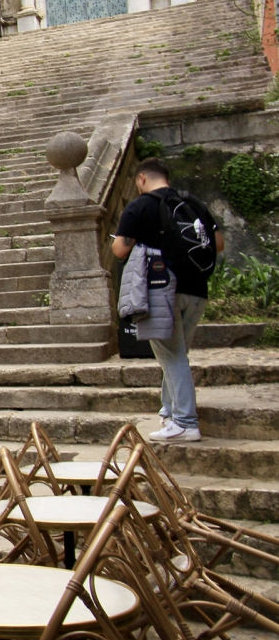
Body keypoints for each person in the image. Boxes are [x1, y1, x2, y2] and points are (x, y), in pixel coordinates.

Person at [112, 158, 223, 442]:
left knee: (170, 354)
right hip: (197, 289)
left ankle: (185, 422)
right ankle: (170, 413)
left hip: (162, 290)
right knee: (174, 354)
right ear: (167, 178)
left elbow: (119, 249)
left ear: (141, 179)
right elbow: (218, 243)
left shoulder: (140, 206)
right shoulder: (193, 204)